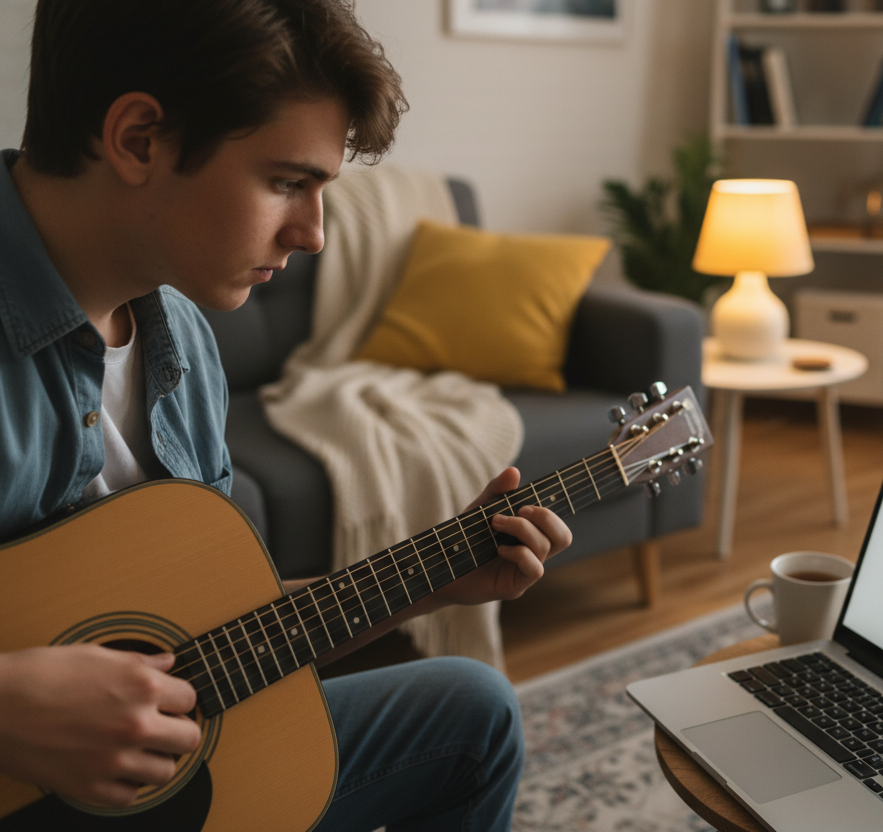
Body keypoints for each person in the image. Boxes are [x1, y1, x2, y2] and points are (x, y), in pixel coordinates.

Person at [0, 1, 571, 830]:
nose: (314, 236)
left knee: (474, 713)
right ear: (138, 140)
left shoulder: (185, 342)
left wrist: (427, 584)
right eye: (287, 182)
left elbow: (221, 638)